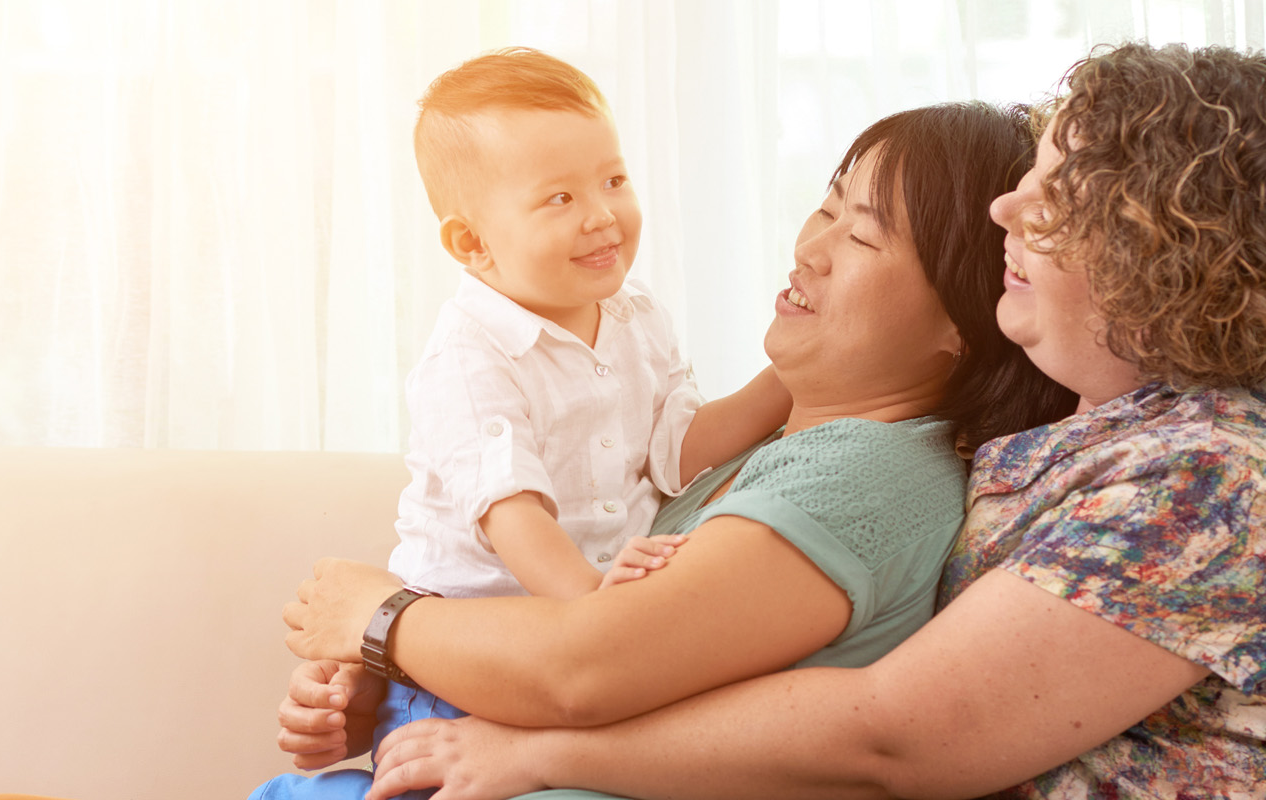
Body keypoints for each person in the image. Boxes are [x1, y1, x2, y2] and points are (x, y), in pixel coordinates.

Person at [279, 43, 1266, 800]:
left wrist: (385, 623)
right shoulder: (1164, 412)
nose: (1008, 204)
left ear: (1149, 263)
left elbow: (888, 726)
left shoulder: (1210, 483)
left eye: (1052, 201)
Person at [271, 97, 1076, 786]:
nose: (809, 247)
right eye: (826, 207)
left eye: (861, 237)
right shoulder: (757, 452)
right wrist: (389, 686)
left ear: (967, 323)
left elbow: (582, 669)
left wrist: (379, 617)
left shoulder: (872, 474)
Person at [248, 48, 804, 800]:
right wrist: (597, 608)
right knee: (442, 782)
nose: (602, 214)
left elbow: (678, 451)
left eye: (613, 179)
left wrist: (790, 380)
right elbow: (513, 514)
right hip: (469, 661)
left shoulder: (638, 316)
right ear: (472, 244)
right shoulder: (470, 356)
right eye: (558, 199)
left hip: (584, 647)